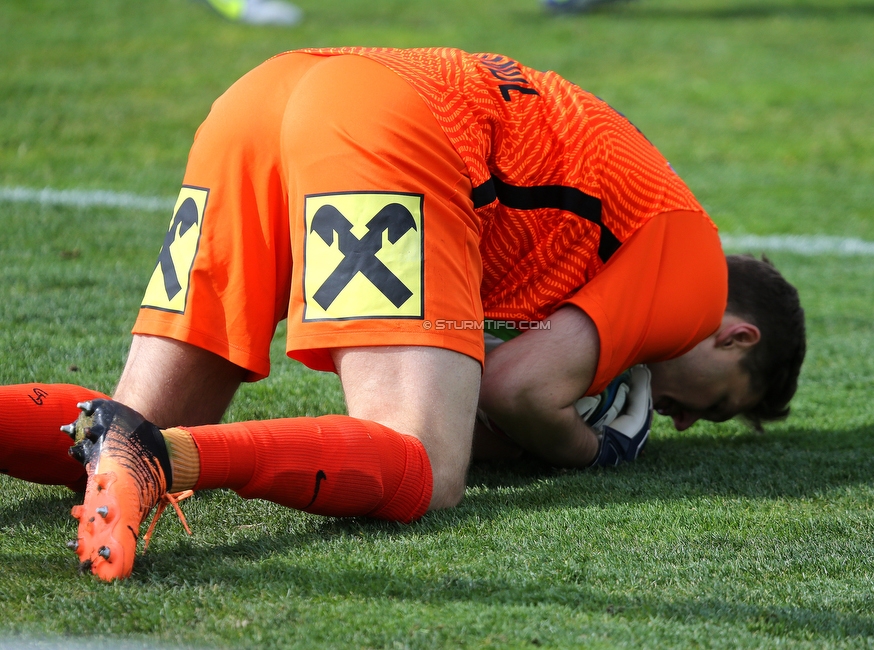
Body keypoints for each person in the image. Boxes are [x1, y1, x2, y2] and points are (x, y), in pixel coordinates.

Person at [0, 47, 805, 581]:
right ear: (737, 336)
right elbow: (518, 392)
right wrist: (590, 448)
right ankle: (161, 462)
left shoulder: (641, 231)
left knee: (119, 422)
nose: (688, 421)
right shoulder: (695, 279)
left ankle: (138, 448)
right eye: (720, 404)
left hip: (269, 95)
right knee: (419, 459)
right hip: (391, 120)